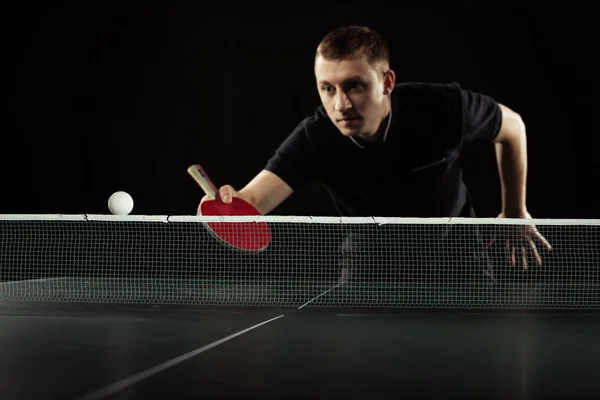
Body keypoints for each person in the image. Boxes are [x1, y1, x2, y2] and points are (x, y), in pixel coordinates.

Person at [200, 25, 551, 270]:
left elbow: (513, 127)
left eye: (354, 86)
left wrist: (515, 211)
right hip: (369, 264)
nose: (341, 105)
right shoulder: (315, 137)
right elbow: (254, 201)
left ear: (386, 83)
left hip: (456, 255)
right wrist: (226, 204)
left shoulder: (442, 108)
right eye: (328, 88)